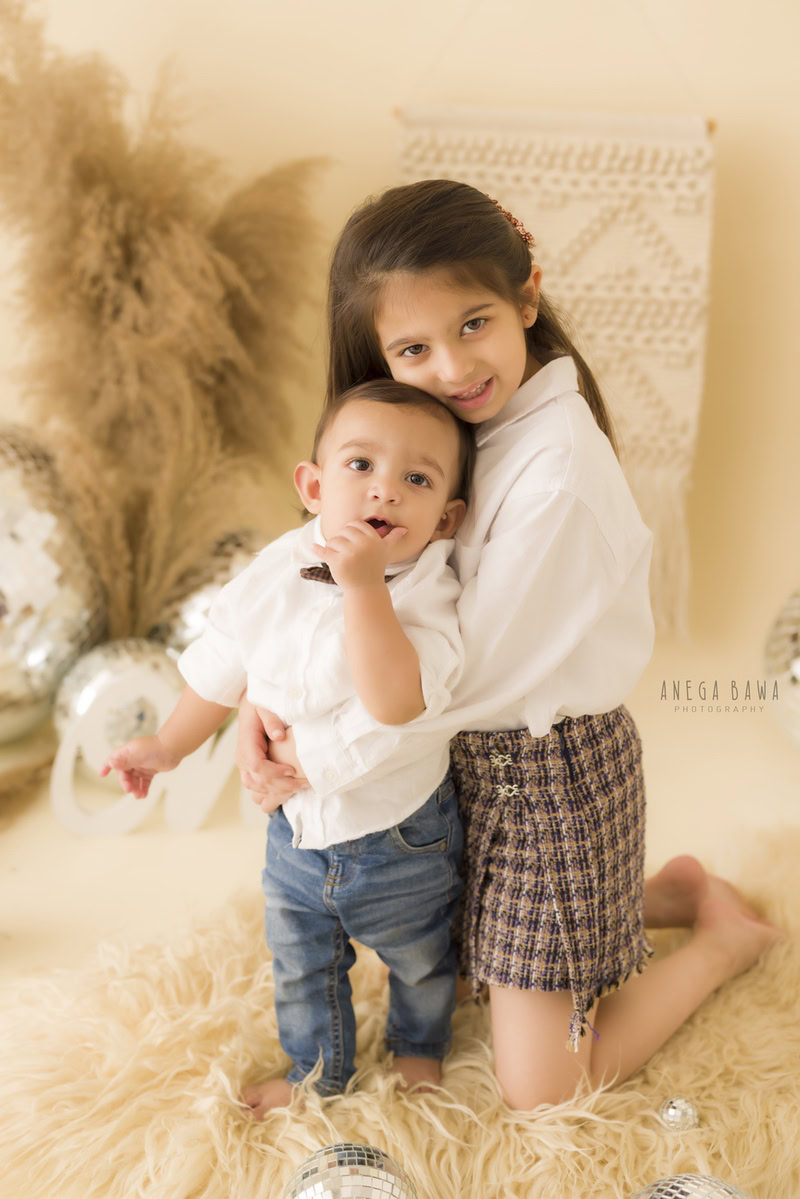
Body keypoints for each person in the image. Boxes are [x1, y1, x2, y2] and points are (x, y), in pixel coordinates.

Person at [237, 179, 784, 1115]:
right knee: (456, 922)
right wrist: (263, 694)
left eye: (474, 324)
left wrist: (308, 746)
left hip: (546, 781)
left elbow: (454, 678)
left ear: (528, 298)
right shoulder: (446, 441)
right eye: (412, 349)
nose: (451, 367)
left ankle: (725, 938)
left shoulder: (555, 474)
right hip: (462, 764)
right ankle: (661, 890)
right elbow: (328, 597)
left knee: (542, 1086)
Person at [100, 377, 477, 1112]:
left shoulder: (429, 594)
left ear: (444, 519)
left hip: (399, 834)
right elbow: (223, 658)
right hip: (294, 832)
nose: (386, 492)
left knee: (422, 956)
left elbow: (397, 702)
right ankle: (317, 1070)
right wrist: (170, 744)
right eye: (361, 466)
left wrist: (366, 587)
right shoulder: (276, 567)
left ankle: (418, 1044)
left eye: (417, 478)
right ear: (313, 486)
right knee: (302, 960)